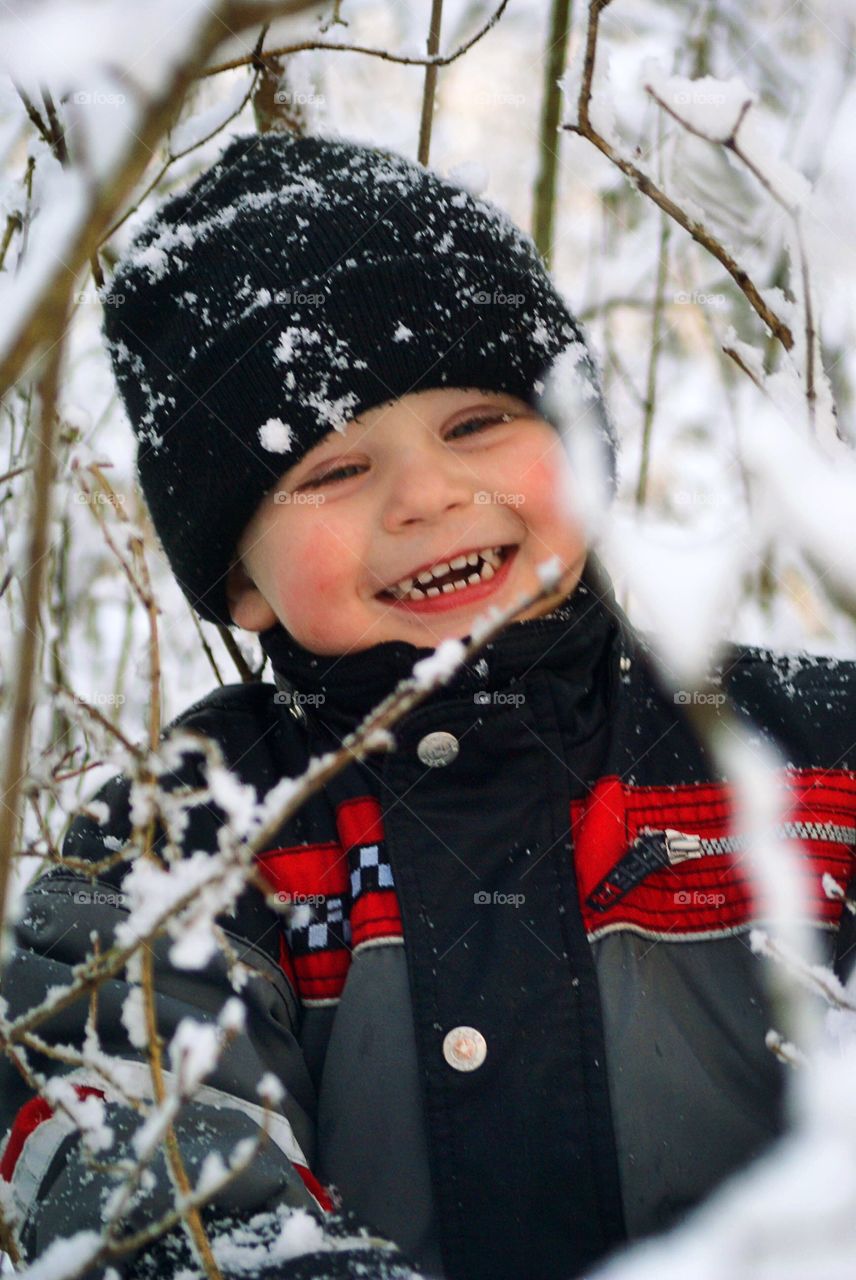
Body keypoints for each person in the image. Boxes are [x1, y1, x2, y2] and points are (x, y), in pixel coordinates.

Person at [2, 130, 856, 1280]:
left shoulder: (808, 755)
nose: (428, 494)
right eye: (332, 470)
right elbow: (146, 1172)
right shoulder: (185, 836)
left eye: (477, 423)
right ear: (239, 578)